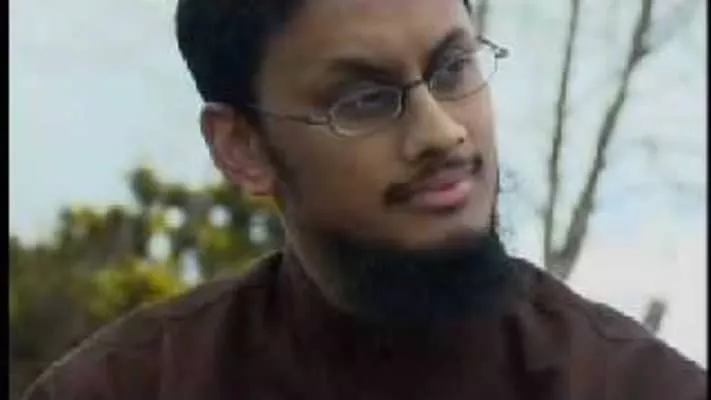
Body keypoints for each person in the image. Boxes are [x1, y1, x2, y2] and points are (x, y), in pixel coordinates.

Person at [23, 0, 706, 399]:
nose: (442, 133)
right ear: (243, 148)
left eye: (453, 68)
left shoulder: (634, 388)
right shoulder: (129, 388)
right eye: (364, 99)